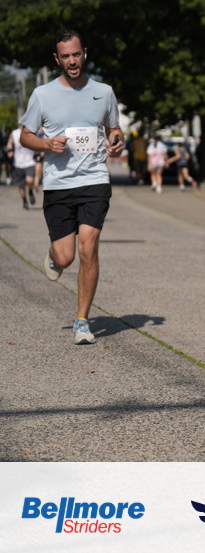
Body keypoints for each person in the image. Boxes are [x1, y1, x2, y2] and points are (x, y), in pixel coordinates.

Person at [18, 29, 125, 345]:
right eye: (65, 56)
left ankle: (82, 321)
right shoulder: (43, 94)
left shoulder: (104, 92)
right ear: (57, 59)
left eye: (76, 54)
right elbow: (25, 136)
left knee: (88, 248)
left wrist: (117, 141)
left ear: (84, 53)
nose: (72, 61)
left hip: (94, 180)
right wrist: (47, 144)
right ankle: (54, 257)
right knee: (66, 258)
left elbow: (114, 129)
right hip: (58, 185)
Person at [7, 126, 37, 210]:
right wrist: (10, 151)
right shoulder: (14, 133)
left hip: (30, 161)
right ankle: (24, 200)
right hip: (18, 163)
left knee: (29, 180)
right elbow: (9, 143)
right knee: (21, 185)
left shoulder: (32, 131)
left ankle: (30, 191)